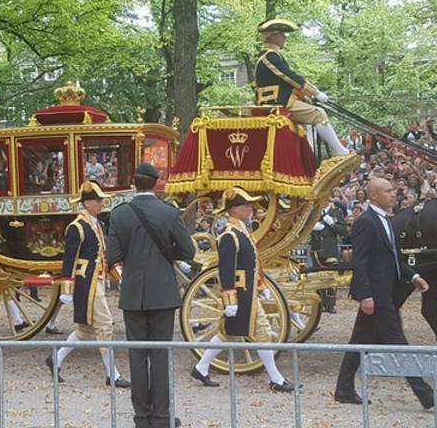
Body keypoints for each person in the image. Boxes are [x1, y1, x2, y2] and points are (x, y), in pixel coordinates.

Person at [334, 177, 437, 409]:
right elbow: (360, 262)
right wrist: (365, 295)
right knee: (399, 342)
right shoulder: (366, 222)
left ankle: (343, 389)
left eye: (393, 190)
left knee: (359, 341)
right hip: (377, 296)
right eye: (388, 191)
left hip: (384, 292)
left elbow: (393, 257)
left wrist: (414, 276)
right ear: (374, 196)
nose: (394, 194)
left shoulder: (386, 220)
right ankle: (425, 394)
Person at [107, 163, 195, 428]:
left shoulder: (120, 214)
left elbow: (113, 256)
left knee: (137, 356)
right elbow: (188, 251)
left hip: (133, 292)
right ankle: (161, 417)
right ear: (157, 183)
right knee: (160, 355)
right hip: (163, 292)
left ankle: (141, 418)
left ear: (134, 183)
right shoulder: (168, 212)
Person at [191, 187, 296, 393]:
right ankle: (276, 378)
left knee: (229, 332)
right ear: (234, 209)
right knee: (258, 332)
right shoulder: (230, 235)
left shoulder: (241, 231)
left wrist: (262, 286)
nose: (250, 209)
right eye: (246, 205)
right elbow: (226, 270)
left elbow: (253, 264)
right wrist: (230, 300)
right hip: (239, 294)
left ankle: (201, 367)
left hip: (248, 291)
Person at [45, 181, 130, 388]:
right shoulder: (77, 227)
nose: (101, 203)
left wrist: (120, 277)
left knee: (85, 330)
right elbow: (69, 259)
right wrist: (67, 288)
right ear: (88, 202)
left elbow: (104, 256)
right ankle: (113, 374)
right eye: (98, 200)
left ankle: (55, 360)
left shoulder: (96, 225)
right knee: (105, 326)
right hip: (86, 284)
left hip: (97, 281)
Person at [255, 19, 349, 156]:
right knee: (318, 114)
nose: (285, 38)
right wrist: (315, 92)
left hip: (281, 100)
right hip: (276, 102)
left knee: (312, 115)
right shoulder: (269, 56)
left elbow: (286, 84)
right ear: (272, 36)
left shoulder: (273, 55)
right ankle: (341, 152)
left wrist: (307, 97)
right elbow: (289, 77)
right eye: (282, 34)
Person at [310, 199, 349, 313]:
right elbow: (303, 228)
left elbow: (343, 231)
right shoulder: (313, 212)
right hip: (317, 248)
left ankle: (330, 304)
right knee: (318, 276)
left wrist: (332, 224)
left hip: (330, 249)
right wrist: (311, 228)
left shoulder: (336, 212)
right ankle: (320, 303)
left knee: (332, 277)